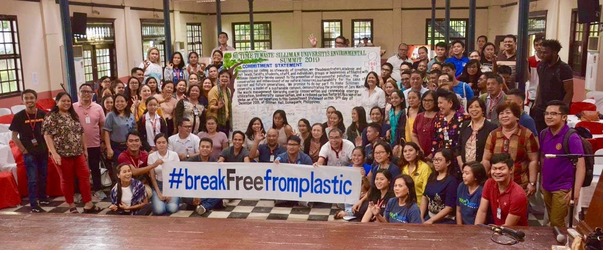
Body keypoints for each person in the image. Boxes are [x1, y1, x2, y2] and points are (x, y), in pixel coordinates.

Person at [42, 92, 101, 214]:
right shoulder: (52, 116)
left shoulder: (73, 115)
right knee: (67, 179)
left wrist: (85, 149)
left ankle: (88, 204)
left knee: (85, 176)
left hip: (78, 152)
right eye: (63, 101)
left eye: (68, 101)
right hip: (61, 154)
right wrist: (54, 153)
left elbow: (81, 132)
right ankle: (71, 205)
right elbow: (47, 135)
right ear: (57, 102)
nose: (66, 103)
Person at [539, 100, 586, 227]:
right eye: (547, 113)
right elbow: (543, 158)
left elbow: (581, 165)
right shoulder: (544, 134)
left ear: (564, 117)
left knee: (557, 222)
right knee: (552, 221)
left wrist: (575, 191)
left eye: (554, 114)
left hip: (563, 188)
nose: (549, 116)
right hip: (547, 186)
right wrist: (542, 181)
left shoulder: (571, 137)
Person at [482, 103, 540, 196]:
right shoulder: (493, 135)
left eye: (508, 113)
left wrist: (532, 183)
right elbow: (486, 159)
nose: (504, 116)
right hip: (496, 183)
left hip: (520, 183)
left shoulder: (527, 134)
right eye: (501, 113)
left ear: (517, 117)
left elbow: (533, 160)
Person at [10, 89, 49, 213]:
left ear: (35, 99)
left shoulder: (43, 114)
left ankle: (42, 198)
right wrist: (24, 150)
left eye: (31, 98)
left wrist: (49, 149)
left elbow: (49, 133)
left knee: (43, 175)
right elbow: (14, 137)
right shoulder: (19, 116)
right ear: (23, 100)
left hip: (43, 151)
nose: (29, 100)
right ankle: (33, 204)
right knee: (32, 179)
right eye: (26, 98)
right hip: (29, 153)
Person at [475, 153, 528, 226]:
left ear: (511, 169)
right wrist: (476, 230)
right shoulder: (489, 183)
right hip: (497, 230)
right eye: (494, 168)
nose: (497, 172)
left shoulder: (518, 195)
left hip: (513, 234)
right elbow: (482, 211)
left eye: (501, 169)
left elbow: (507, 226)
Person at [73, 84, 107, 200]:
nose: (86, 94)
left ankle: (98, 189)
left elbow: (102, 126)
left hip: (94, 144)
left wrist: (102, 141)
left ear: (93, 94)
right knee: (78, 170)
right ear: (79, 93)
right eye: (83, 91)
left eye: (89, 92)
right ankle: (78, 192)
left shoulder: (98, 107)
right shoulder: (73, 107)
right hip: (77, 145)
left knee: (95, 168)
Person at [532, 39, 574, 133]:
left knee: (555, 135)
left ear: (554, 53)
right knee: (539, 135)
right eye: (541, 52)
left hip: (556, 109)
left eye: (545, 53)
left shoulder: (564, 68)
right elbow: (540, 84)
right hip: (542, 108)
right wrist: (536, 102)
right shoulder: (541, 66)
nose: (541, 55)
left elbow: (569, 91)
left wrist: (562, 110)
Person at [117, 131, 163, 200]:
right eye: (131, 141)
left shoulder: (145, 155)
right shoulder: (122, 156)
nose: (134, 143)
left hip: (142, 184)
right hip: (126, 185)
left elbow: (151, 172)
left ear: (140, 143)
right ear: (127, 143)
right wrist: (154, 165)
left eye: (136, 140)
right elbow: (134, 172)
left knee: (147, 192)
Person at [457, 98, 498, 166]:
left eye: (477, 106)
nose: (473, 109)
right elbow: (458, 147)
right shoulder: (465, 125)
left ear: (483, 110)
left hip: (482, 169)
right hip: (465, 169)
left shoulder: (491, 127)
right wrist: (461, 164)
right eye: (470, 107)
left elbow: (493, 151)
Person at [421, 149, 458, 224]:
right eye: (434, 159)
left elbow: (449, 208)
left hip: (445, 220)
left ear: (448, 162)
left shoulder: (452, 181)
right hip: (429, 216)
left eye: (439, 160)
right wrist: (421, 216)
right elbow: (424, 197)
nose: (435, 162)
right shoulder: (432, 176)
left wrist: (431, 220)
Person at [334, 147, 372, 219]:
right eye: (354, 155)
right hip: (349, 195)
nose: (356, 158)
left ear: (364, 157)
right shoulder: (348, 169)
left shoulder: (368, 168)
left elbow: (369, 186)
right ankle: (349, 211)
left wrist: (364, 177)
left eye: (359, 155)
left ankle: (348, 213)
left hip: (363, 196)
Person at [187, 137, 222, 215]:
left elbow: (216, 182)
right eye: (202, 147)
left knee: (221, 191)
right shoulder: (191, 161)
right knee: (184, 195)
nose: (204, 149)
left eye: (207, 147)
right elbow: (186, 181)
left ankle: (204, 206)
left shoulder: (215, 162)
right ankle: (206, 203)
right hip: (193, 190)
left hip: (207, 189)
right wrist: (196, 195)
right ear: (199, 148)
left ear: (211, 149)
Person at [147, 133, 180, 215]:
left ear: (167, 143)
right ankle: (159, 201)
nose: (161, 145)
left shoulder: (174, 155)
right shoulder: (151, 156)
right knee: (159, 210)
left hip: (172, 185)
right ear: (155, 144)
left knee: (172, 209)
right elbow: (152, 177)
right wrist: (158, 192)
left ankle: (176, 200)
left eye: (163, 142)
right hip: (159, 184)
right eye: (159, 143)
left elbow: (178, 174)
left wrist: (170, 192)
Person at [431, 90, 466, 161]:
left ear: (450, 103)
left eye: (441, 103)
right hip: (441, 160)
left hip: (458, 158)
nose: (439, 106)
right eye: (438, 103)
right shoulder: (438, 118)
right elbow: (435, 139)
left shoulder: (464, 119)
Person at [104, 94, 136, 163]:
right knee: (121, 166)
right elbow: (106, 132)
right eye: (117, 101)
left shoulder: (130, 115)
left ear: (126, 103)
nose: (119, 103)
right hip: (115, 146)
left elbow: (134, 130)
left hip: (129, 146)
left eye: (122, 101)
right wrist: (109, 148)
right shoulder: (110, 115)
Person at [399, 142, 432, 206]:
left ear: (417, 152)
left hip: (421, 205)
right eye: (405, 151)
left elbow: (425, 193)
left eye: (410, 150)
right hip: (406, 205)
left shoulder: (424, 167)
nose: (407, 153)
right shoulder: (404, 169)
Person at [412, 90, 438, 159]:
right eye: (424, 100)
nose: (426, 103)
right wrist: (419, 149)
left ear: (435, 102)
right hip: (420, 154)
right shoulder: (419, 116)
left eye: (430, 100)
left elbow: (440, 139)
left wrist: (432, 154)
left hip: (435, 155)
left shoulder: (439, 117)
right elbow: (414, 134)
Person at [207, 70, 233, 137]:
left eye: (227, 77)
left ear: (229, 79)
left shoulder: (228, 90)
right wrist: (218, 107)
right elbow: (211, 107)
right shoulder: (215, 90)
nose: (224, 78)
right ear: (218, 78)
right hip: (217, 122)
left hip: (226, 122)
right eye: (222, 76)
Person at [527, 36, 544, 108]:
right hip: (532, 93)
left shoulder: (548, 61)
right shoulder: (530, 60)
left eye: (541, 44)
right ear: (534, 46)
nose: (539, 47)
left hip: (544, 93)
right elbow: (527, 77)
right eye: (536, 45)